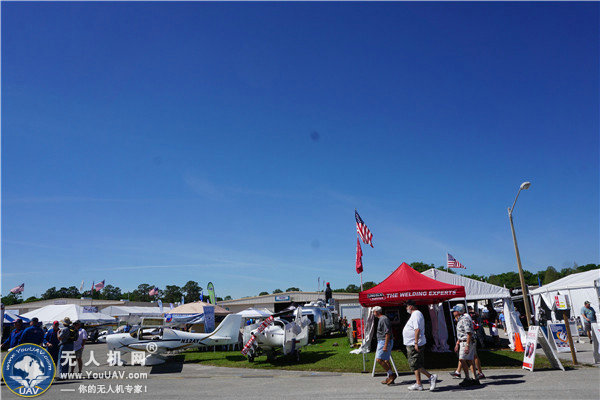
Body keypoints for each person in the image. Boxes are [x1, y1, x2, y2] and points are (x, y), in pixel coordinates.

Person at [402, 300, 437, 391]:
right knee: (416, 363)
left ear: (410, 306)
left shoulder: (416, 314)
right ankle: (418, 383)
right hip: (411, 343)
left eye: (406, 306)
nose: (406, 308)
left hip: (414, 343)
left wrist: (416, 343)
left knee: (414, 364)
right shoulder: (415, 315)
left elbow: (417, 329)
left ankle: (431, 376)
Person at [453, 304, 480, 387]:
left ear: (458, 311)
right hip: (462, 341)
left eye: (454, 311)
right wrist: (457, 343)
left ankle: (468, 378)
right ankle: (474, 378)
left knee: (462, 359)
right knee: (469, 360)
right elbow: (461, 333)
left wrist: (467, 345)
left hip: (466, 342)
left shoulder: (464, 319)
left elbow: (469, 333)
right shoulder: (460, 319)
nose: (453, 313)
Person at [372, 306, 396, 385]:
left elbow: (387, 332)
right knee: (386, 360)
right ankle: (390, 377)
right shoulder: (381, 319)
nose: (373, 313)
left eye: (373, 312)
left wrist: (385, 345)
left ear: (377, 312)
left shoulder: (383, 319)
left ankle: (391, 375)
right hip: (382, 341)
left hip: (384, 341)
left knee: (379, 359)